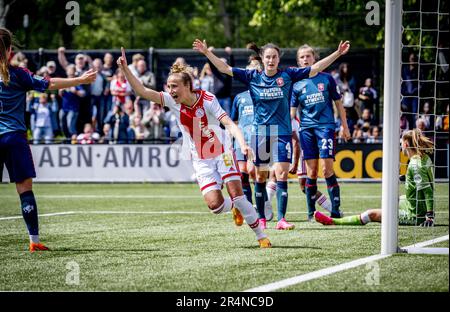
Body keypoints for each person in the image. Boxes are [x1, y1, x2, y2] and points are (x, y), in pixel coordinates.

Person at [117, 47, 271, 248]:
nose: (171, 90)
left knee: (238, 194)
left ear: (188, 85)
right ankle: (235, 207)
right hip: (201, 157)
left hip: (222, 151)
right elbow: (142, 91)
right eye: (169, 86)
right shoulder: (172, 102)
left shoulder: (207, 99)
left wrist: (242, 144)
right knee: (214, 206)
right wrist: (126, 70)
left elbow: (229, 123)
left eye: (175, 86)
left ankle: (261, 236)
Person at [193, 38, 350, 231]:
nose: (271, 60)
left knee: (282, 173)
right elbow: (225, 69)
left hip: (282, 132)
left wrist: (337, 53)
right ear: (262, 58)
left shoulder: (289, 74)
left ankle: (282, 219)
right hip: (261, 132)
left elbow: (316, 68)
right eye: (267, 57)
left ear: (278, 59)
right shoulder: (253, 76)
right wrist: (207, 53)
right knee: (260, 176)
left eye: (274, 57)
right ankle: (262, 219)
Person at [0, 27, 96, 252]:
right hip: (14, 137)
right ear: (10, 51)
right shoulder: (18, 74)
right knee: (24, 190)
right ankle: (34, 241)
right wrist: (79, 80)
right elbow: (49, 84)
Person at [315, 129, 435, 227]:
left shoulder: (415, 165)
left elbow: (427, 191)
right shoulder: (423, 158)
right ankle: (387, 213)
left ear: (405, 144)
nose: (400, 147)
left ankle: (333, 222)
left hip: (415, 214)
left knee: (371, 214)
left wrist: (429, 216)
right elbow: (422, 178)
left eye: (401, 144)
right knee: (392, 200)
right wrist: (405, 177)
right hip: (412, 203)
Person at [290, 44, 351, 220]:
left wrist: (344, 126)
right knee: (311, 172)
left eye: (308, 56)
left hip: (325, 127)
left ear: (314, 58)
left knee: (327, 170)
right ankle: (311, 213)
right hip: (306, 130)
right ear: (298, 61)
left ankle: (335, 211)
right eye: (301, 57)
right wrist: (285, 125)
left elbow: (339, 103)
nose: (305, 59)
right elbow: (293, 112)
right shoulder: (296, 84)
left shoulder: (327, 79)